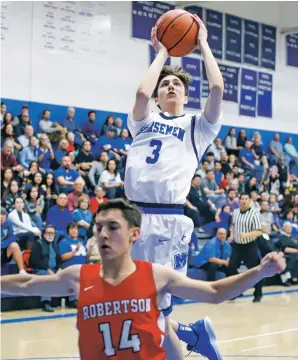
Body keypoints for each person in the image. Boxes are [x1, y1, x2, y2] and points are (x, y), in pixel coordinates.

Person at [1, 200, 286, 360]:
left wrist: (259, 272)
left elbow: (213, 291)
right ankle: (192, 332)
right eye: (99, 227)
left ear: (133, 235)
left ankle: (192, 332)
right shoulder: (80, 277)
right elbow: (26, 284)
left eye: (113, 227)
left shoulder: (156, 276)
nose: (103, 234)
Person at [124, 15, 224, 358]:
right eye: (164, 83)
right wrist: (162, 54)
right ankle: (192, 334)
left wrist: (203, 44)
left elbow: (217, 88)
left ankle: (188, 339)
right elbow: (141, 91)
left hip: (167, 221)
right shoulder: (144, 121)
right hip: (132, 220)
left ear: (184, 94)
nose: (169, 87)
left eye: (176, 85)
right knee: (134, 303)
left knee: (154, 309)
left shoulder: (198, 127)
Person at [228, 193, 263, 302]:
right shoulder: (235, 212)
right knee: (231, 268)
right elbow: (233, 225)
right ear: (239, 201)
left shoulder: (254, 214)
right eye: (242, 199)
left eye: (246, 199)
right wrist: (231, 235)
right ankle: (237, 291)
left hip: (250, 245)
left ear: (250, 201)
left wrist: (246, 235)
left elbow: (258, 232)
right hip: (237, 245)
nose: (243, 201)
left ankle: (258, 293)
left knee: (254, 271)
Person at [1, 207, 27, 274]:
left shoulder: (8, 223)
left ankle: (22, 271)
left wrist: (2, 245)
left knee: (14, 245)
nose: (2, 217)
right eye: (0, 214)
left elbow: (12, 237)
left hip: (3, 251)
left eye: (4, 215)